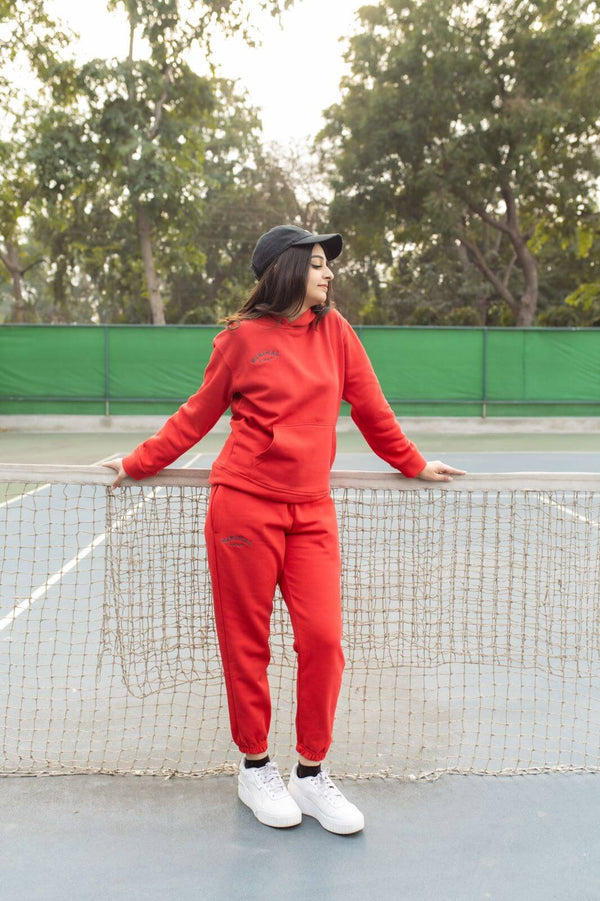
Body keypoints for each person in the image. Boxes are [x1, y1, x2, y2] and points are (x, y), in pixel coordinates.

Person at [104, 225, 465, 835]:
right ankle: (254, 768)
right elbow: (197, 414)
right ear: (287, 270)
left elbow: (372, 409)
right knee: (247, 646)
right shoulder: (241, 339)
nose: (329, 275)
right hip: (243, 508)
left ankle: (312, 773)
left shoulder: (338, 334)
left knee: (323, 641)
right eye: (319, 264)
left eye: (328, 265)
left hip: (312, 513)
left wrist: (413, 462)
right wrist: (137, 462)